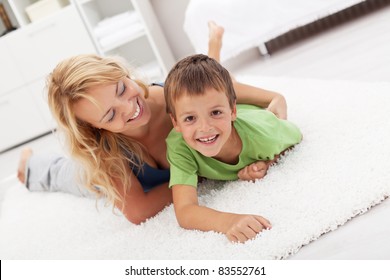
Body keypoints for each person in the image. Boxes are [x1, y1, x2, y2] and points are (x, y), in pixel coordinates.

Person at [17, 22, 288, 225]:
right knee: (71, 176)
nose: (129, 108)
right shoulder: (103, 150)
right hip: (115, 176)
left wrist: (275, 101)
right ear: (95, 128)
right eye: (110, 115)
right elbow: (138, 211)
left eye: (122, 89)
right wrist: (196, 177)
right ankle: (29, 163)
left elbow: (226, 91)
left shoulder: (173, 96)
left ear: (123, 73)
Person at [164, 54, 302, 243]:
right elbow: (185, 211)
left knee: (228, 82)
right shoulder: (179, 144)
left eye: (215, 113)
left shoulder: (262, 135)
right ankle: (215, 47)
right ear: (176, 123)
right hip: (230, 106)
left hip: (250, 112)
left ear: (232, 111)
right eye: (189, 118)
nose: (204, 128)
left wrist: (268, 161)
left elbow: (295, 134)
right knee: (218, 80)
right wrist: (228, 221)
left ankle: (216, 51)